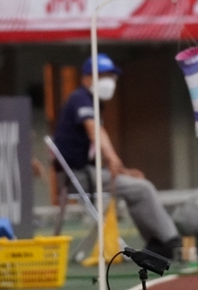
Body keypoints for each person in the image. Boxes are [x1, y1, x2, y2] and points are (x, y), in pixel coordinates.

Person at [52, 54, 181, 259]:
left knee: (137, 184)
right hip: (77, 177)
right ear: (86, 78)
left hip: (87, 173)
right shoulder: (80, 98)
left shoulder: (92, 102)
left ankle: (157, 240)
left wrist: (121, 170)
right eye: (102, 75)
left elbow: (92, 148)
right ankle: (168, 240)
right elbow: (95, 130)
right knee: (142, 188)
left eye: (111, 76)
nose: (108, 81)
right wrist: (113, 158)